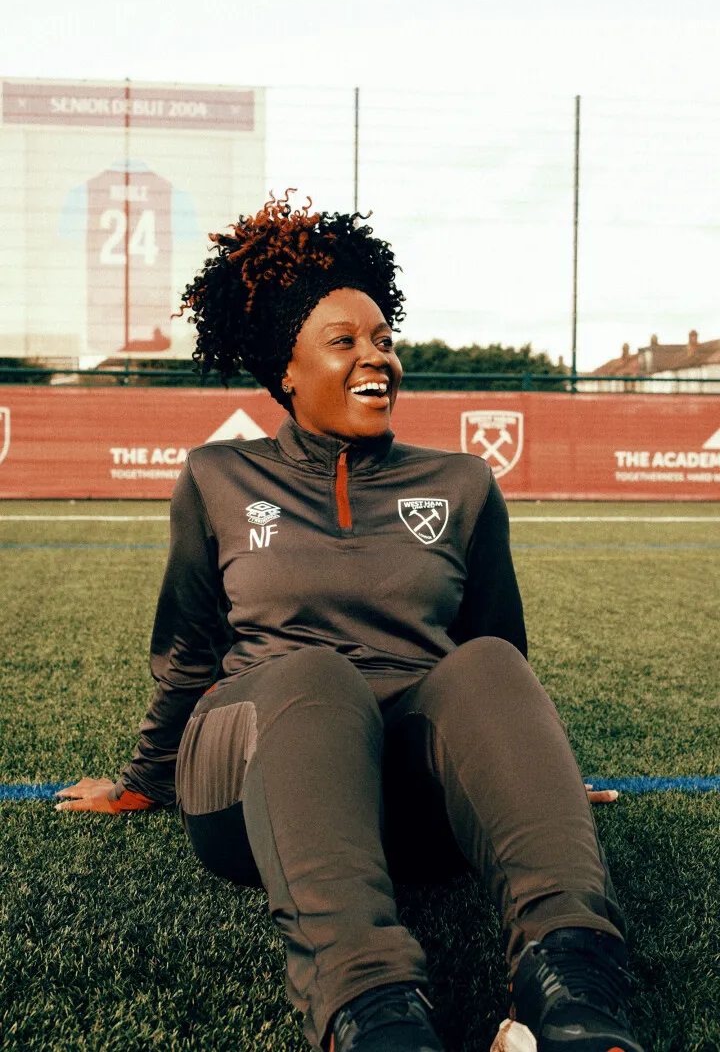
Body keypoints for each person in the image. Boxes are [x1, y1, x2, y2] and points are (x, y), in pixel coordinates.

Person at [56, 193, 644, 1052]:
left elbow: (497, 657)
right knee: (312, 673)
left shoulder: (464, 483)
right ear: (284, 370)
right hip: (259, 782)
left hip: (416, 799)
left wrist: (533, 771)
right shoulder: (218, 477)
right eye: (345, 341)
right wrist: (145, 777)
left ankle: (578, 998)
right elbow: (189, 653)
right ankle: (373, 1014)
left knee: (477, 663)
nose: (377, 358)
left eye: (383, 339)